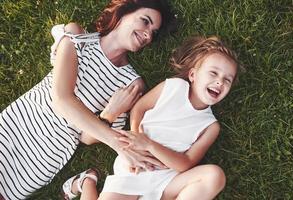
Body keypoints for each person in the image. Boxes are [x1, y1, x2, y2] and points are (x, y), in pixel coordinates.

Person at [0, 0, 176, 199]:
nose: (147, 34)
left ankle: (82, 181)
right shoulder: (78, 37)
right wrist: (117, 143)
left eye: (153, 32)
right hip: (14, 126)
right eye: (145, 21)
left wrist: (109, 114)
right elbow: (61, 98)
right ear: (124, 12)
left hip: (45, 156)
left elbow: (85, 138)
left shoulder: (132, 84)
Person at [66, 36, 239, 200]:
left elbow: (186, 163)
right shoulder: (173, 87)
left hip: (166, 181)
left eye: (227, 80)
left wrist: (150, 145)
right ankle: (87, 181)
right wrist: (137, 140)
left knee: (214, 176)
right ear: (193, 75)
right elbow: (139, 108)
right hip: (134, 170)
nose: (220, 82)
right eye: (213, 73)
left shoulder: (210, 126)